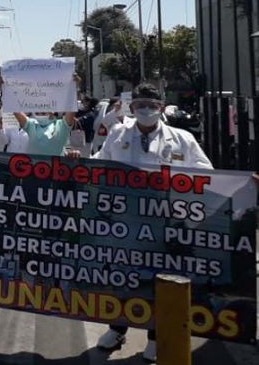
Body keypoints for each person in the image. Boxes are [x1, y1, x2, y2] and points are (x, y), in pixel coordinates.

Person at [93, 83, 213, 362]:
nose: (146, 110)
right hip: (126, 223)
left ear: (161, 107)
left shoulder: (182, 139)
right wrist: (74, 161)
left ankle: (156, 337)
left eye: (151, 105)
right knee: (122, 279)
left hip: (166, 225)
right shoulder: (118, 134)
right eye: (140, 105)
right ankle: (117, 329)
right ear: (132, 107)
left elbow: (207, 174)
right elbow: (99, 163)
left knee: (159, 282)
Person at [13, 111, 78, 157]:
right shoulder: (31, 124)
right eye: (37, 113)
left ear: (52, 111)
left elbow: (71, 106)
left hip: (56, 168)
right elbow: (15, 109)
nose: (40, 115)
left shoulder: (62, 125)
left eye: (43, 113)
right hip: (35, 168)